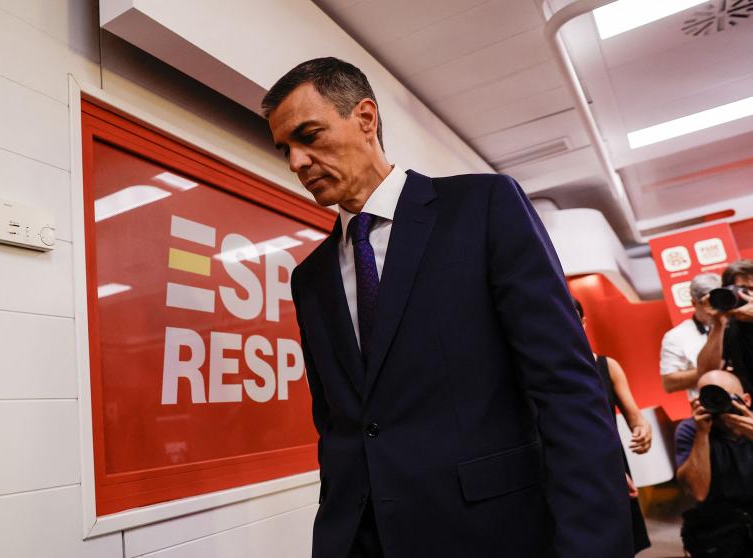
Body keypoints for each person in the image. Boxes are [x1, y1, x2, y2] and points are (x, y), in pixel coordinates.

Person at [263, 57, 631, 558]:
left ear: (365, 118)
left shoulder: (482, 207)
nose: (296, 162)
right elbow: (336, 424)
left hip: (489, 534)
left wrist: (592, 544)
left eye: (309, 136)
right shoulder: (310, 278)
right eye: (285, 148)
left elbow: (565, 386)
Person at [574, 297, 652, 554]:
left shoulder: (607, 366)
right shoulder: (547, 372)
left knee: (622, 542)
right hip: (576, 468)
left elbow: (634, 416)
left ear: (583, 322)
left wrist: (642, 429)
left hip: (613, 461)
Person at [675, 370, 753, 557]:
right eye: (711, 398)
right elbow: (698, 492)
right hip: (719, 529)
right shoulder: (691, 429)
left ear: (746, 400)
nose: (720, 405)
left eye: (724, 397)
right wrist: (702, 433)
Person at [659, 273, 722, 399]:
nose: (714, 308)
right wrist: (718, 370)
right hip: (710, 405)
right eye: (708, 303)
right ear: (694, 302)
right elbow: (669, 383)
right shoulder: (676, 336)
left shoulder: (740, 322)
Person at [697, 260, 753, 390]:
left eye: (752, 289)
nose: (749, 295)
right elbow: (706, 374)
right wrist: (718, 324)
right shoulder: (727, 325)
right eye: (743, 289)